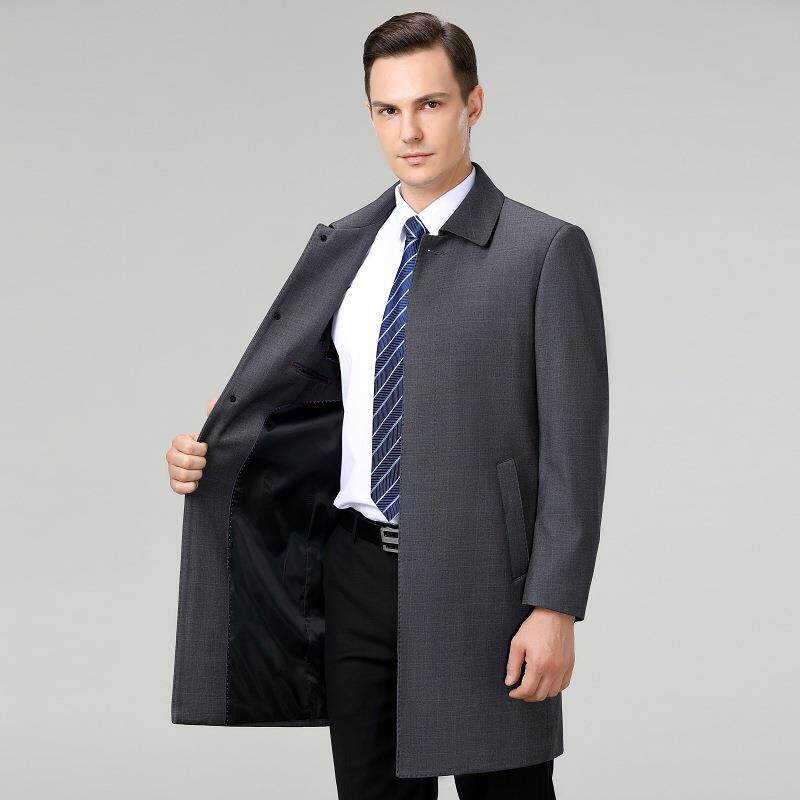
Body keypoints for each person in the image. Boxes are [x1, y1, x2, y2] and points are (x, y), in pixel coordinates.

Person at [166, 11, 608, 800]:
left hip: (486, 584)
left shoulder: (543, 251)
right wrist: (218, 444)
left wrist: (555, 607)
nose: (410, 131)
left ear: (474, 104)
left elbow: (576, 449)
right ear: (370, 113)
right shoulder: (345, 246)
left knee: (507, 793)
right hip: (358, 574)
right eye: (388, 109)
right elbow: (310, 402)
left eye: (431, 104)